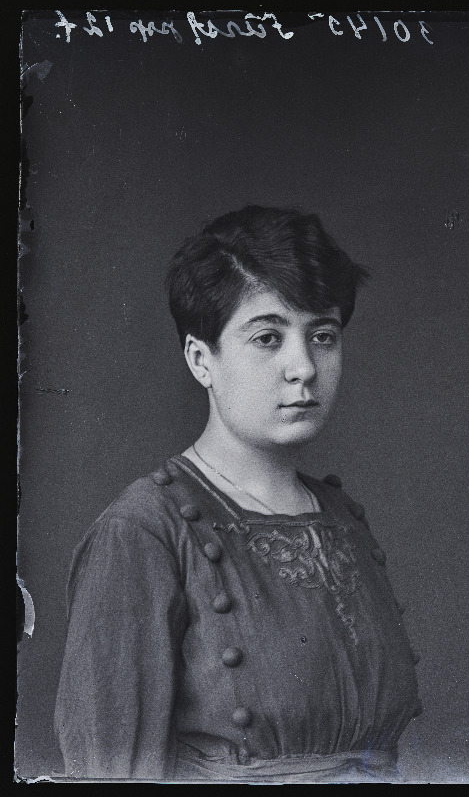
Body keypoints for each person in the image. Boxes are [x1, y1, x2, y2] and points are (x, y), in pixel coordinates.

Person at [54, 205, 422, 783]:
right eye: (268, 338)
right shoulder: (144, 531)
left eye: (323, 336)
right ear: (201, 359)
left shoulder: (342, 518)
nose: (304, 367)